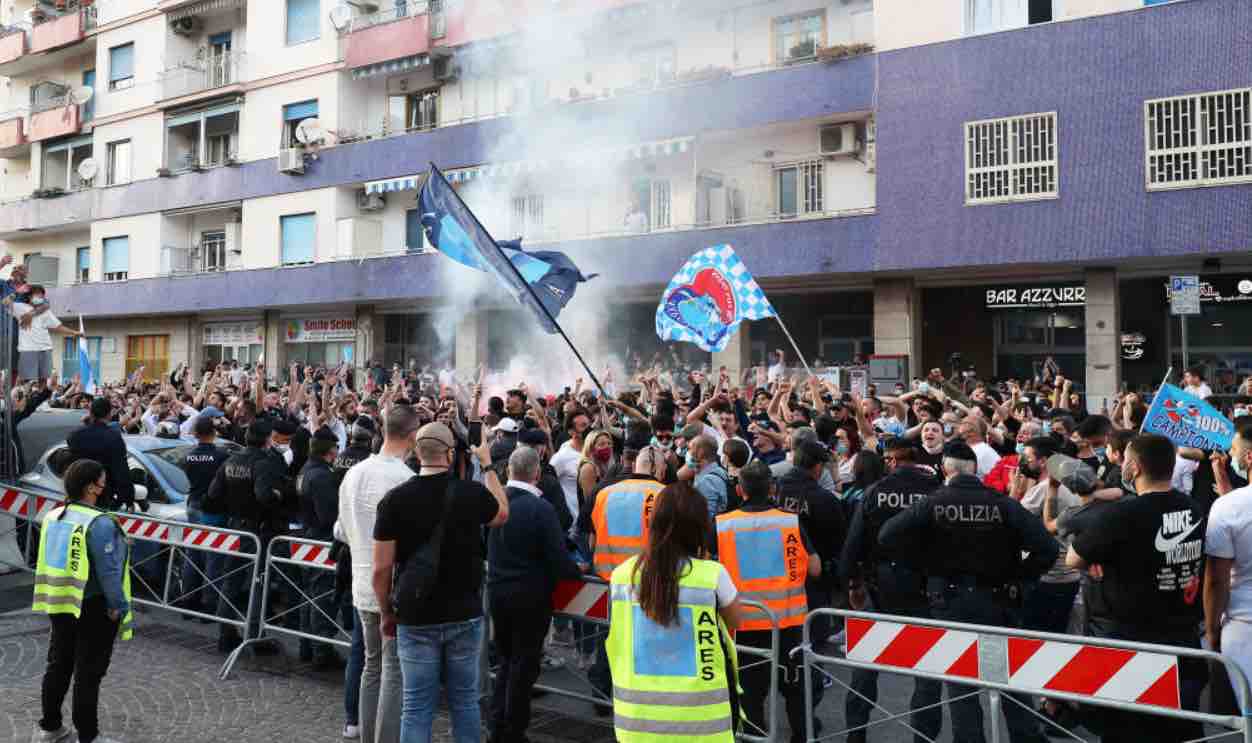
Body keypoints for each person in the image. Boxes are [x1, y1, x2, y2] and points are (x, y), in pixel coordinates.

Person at [880, 442, 1056, 743]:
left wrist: (923, 565)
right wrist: (1020, 576)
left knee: (962, 688)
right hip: (998, 601)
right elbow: (1048, 548)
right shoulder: (1002, 504)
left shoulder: (933, 503)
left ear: (945, 471)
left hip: (950, 602)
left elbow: (888, 536)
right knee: (1010, 680)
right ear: (975, 471)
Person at [371, 421, 508, 743]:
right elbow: (502, 512)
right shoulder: (470, 492)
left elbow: (381, 569)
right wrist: (486, 463)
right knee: (464, 702)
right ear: (450, 453)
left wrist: (385, 613)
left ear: (417, 453)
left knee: (417, 706)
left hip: (416, 614)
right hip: (464, 612)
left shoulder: (394, 500)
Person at [1067, 433, 1206, 743]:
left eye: (1126, 460)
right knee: (1179, 727)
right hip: (1181, 638)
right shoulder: (1192, 508)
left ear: (1135, 467)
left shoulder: (1123, 514)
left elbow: (1073, 557)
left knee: (1129, 731)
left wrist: (1098, 558)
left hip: (1132, 643)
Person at [605, 481, 743, 743]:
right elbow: (737, 620)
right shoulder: (712, 576)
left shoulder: (621, 575)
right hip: (702, 722)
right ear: (699, 528)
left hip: (636, 720)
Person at [839, 440, 942, 743]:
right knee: (927, 675)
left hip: (879, 587)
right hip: (925, 590)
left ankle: (855, 736)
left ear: (892, 461)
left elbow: (853, 543)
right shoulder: (935, 493)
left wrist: (852, 583)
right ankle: (924, 738)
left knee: (865, 670)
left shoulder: (874, 492)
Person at [717, 461, 819, 743]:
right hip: (788, 623)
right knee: (796, 689)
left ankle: (754, 738)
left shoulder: (722, 524)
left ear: (740, 490)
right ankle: (803, 737)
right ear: (773, 488)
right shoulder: (790, 521)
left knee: (749, 692)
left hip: (743, 624)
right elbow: (815, 568)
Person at [31, 459, 132, 743]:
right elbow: (109, 571)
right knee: (88, 673)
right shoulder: (100, 523)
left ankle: (50, 728)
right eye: (101, 480)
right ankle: (88, 736)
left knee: (59, 665)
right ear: (91, 487)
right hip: (93, 605)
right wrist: (118, 606)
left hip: (60, 600)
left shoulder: (55, 515)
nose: (104, 485)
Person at [487, 447, 583, 743]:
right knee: (523, 665)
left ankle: (497, 725)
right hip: (530, 596)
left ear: (508, 471)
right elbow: (558, 559)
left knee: (505, 662)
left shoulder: (494, 501)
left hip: (498, 591)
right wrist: (577, 570)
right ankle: (513, 731)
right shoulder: (540, 509)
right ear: (537, 474)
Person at [339, 404, 423, 743]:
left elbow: (342, 530)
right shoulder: (405, 479)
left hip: (362, 582)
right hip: (390, 586)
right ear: (413, 436)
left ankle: (367, 736)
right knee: (391, 670)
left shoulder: (353, 474)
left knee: (372, 666)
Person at [584, 443, 669, 705]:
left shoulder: (605, 493)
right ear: (660, 469)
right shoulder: (665, 495)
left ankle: (600, 694)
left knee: (607, 635)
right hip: (648, 580)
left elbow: (590, 537)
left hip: (609, 577)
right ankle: (639, 696)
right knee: (644, 640)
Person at [205, 420, 288, 654]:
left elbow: (212, 494)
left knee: (230, 580)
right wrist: (277, 494)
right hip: (257, 530)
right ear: (267, 439)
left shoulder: (231, 460)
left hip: (236, 526)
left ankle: (226, 633)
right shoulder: (262, 462)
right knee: (258, 583)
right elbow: (264, 496)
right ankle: (255, 637)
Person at [777, 439, 846, 645]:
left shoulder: (775, 490)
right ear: (817, 467)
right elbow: (839, 541)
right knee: (814, 638)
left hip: (778, 572)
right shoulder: (825, 499)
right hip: (813, 574)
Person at [1205, 427, 1252, 710]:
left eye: (1233, 450)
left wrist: (1211, 630)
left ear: (1248, 456)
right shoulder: (1228, 505)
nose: (1229, 455)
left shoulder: (1228, 507)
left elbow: (1216, 581)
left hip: (1244, 627)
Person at [1016, 438, 1083, 634]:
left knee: (1038, 636)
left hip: (1049, 576)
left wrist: (1016, 489)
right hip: (1071, 573)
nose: (1023, 463)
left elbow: (1014, 521)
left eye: (1027, 458)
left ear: (1043, 461)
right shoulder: (1072, 486)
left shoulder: (1043, 489)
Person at [298, 427, 346, 669]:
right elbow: (328, 515)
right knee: (322, 595)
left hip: (308, 534)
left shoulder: (306, 470)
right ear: (331, 451)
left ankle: (307, 645)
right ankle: (321, 650)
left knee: (309, 593)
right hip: (320, 538)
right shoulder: (322, 475)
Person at [178, 415, 232, 618]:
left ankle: (188, 601)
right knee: (213, 557)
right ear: (214, 433)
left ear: (196, 434)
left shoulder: (187, 456)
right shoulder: (221, 456)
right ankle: (209, 604)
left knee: (193, 554)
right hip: (213, 509)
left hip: (193, 504)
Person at [66, 398, 135, 511]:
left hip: (76, 491)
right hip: (101, 495)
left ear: (90, 412)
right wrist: (128, 499)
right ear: (109, 414)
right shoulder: (113, 437)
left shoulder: (75, 435)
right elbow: (121, 471)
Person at [10, 284, 80, 383]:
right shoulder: (20, 308)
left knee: (43, 379)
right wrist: (17, 292)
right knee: (24, 379)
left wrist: (74, 332)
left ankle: (40, 397)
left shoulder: (46, 311)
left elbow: (58, 326)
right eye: (38, 294)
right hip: (27, 349)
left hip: (45, 348)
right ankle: (20, 397)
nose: (40, 297)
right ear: (30, 296)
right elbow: (5, 302)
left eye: (42, 295)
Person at [686, 434, 729, 523]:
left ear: (700, 454)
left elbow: (706, 518)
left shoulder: (707, 482)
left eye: (690, 449)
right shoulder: (719, 471)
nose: (688, 453)